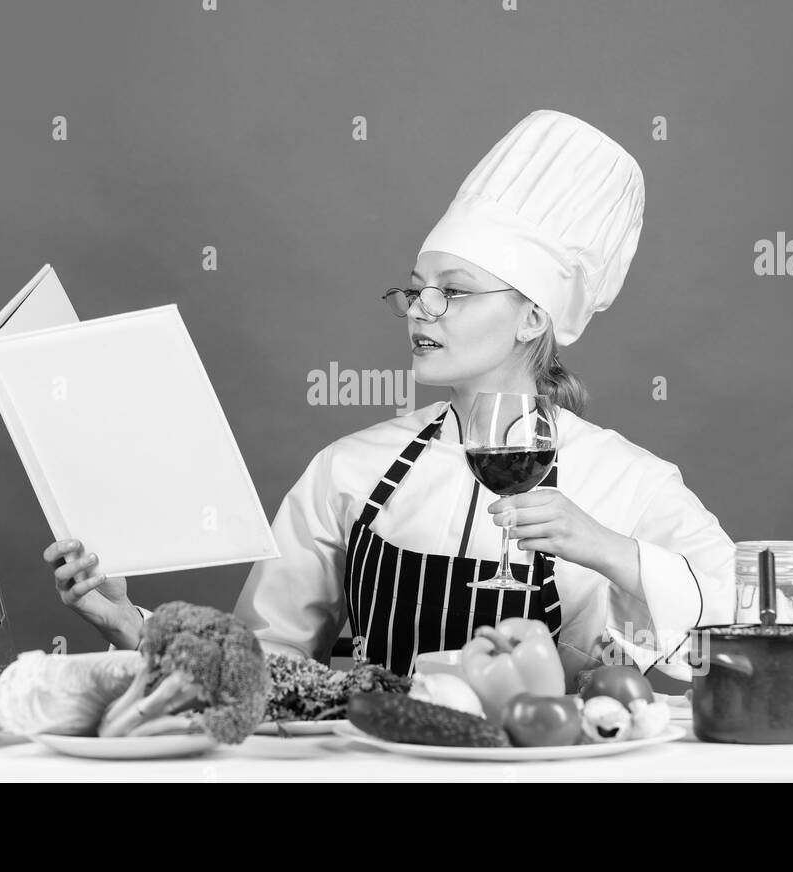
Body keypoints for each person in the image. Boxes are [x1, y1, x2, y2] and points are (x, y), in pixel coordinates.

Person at [45, 110, 735, 687]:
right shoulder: (349, 470)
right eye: (416, 288)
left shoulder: (626, 482)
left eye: (454, 291)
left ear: (533, 318)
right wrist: (131, 625)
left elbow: (745, 621)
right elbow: (265, 667)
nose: (420, 310)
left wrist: (609, 548)